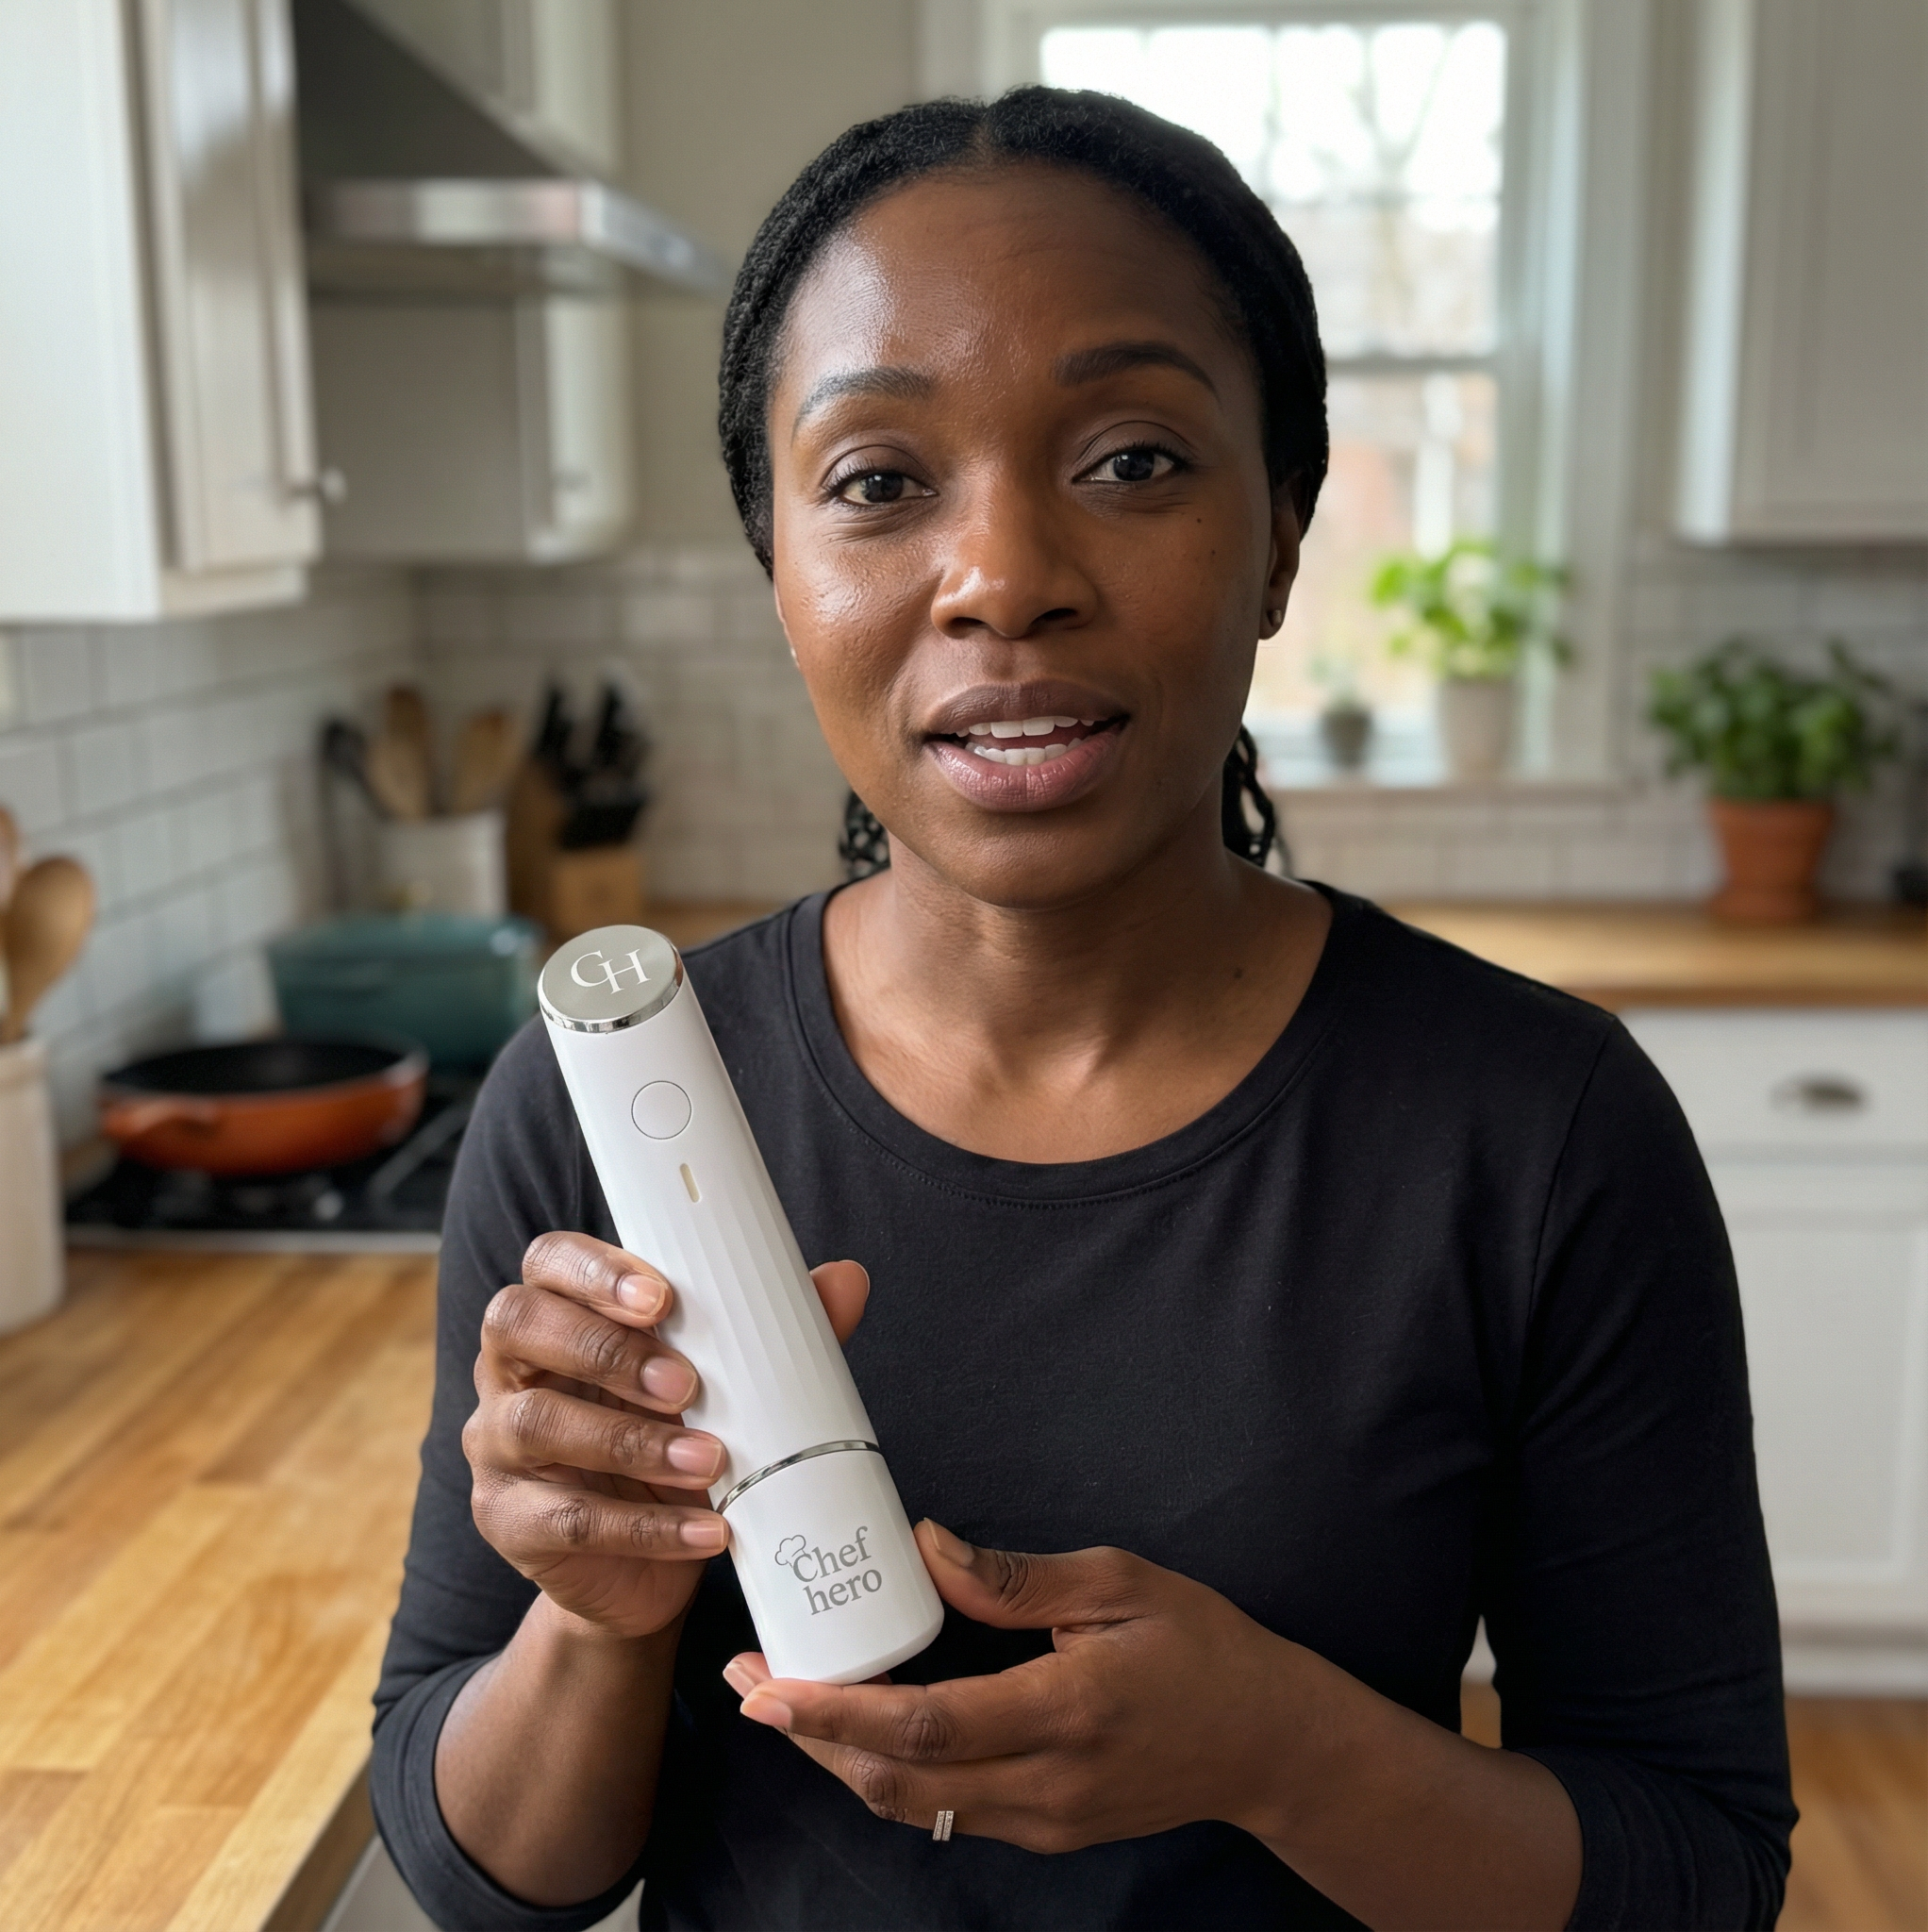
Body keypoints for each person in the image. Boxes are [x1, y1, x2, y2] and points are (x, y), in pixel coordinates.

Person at [371, 88, 1794, 1932]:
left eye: (1131, 459)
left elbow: (1697, 1869)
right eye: (877, 481)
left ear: (1281, 535)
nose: (1005, 580)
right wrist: (596, 1614)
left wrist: (1287, 1756)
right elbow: (486, 1879)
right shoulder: (608, 1104)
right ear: (779, 570)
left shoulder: (1538, 1129)